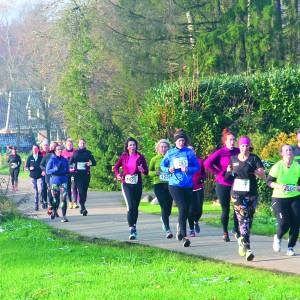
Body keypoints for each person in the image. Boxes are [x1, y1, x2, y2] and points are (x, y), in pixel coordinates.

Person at [225, 136, 265, 261]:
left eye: (246, 146)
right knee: (244, 220)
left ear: (249, 146)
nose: (244, 148)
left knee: (249, 220)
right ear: (239, 146)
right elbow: (227, 177)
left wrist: (257, 172)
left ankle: (240, 237)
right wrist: (228, 171)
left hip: (251, 194)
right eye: (242, 146)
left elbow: (262, 176)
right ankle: (248, 250)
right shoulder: (233, 159)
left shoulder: (254, 158)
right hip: (237, 194)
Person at [160, 129, 200, 247]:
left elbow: (196, 166)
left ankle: (179, 228)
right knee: (182, 208)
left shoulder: (189, 153)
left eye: (183, 140)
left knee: (186, 210)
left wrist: (189, 169)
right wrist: (168, 169)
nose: (181, 143)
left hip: (187, 185)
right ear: (175, 141)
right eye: (179, 141)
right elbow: (163, 165)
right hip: (174, 185)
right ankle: (184, 236)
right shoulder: (170, 153)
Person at [204, 128, 240, 242]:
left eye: (234, 139)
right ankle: (225, 232)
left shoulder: (238, 151)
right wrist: (220, 172)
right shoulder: (221, 152)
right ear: (225, 141)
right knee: (225, 209)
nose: (232, 141)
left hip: (236, 183)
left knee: (237, 208)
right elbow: (207, 163)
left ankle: (236, 230)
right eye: (230, 139)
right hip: (223, 183)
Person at [267, 144, 300, 256]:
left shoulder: (297, 166)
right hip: (279, 198)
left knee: (296, 223)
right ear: (281, 153)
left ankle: (290, 247)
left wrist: (298, 187)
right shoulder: (277, 166)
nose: (288, 152)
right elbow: (269, 182)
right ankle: (278, 237)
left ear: (293, 153)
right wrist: (280, 186)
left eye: (290, 150)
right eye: (286, 150)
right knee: (284, 223)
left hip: (295, 197)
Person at [114, 137, 148, 240]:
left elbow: (146, 172)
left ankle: (134, 225)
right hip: (126, 184)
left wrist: (142, 170)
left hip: (137, 184)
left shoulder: (140, 156)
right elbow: (116, 167)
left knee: (135, 207)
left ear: (136, 146)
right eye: (130, 145)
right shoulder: (124, 156)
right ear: (127, 147)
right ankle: (131, 229)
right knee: (130, 206)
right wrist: (118, 175)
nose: (132, 147)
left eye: (134, 145)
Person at [149, 139, 173, 239]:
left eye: (165, 147)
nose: (163, 149)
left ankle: (164, 218)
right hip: (158, 184)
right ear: (158, 148)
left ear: (168, 148)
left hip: (170, 184)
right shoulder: (154, 159)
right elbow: (149, 172)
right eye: (161, 147)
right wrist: (156, 173)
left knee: (169, 208)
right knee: (164, 206)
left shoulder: (171, 158)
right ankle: (167, 229)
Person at [70, 139, 96, 216]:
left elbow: (94, 162)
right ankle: (83, 207)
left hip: (86, 175)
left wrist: (89, 163)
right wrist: (72, 167)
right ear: (78, 144)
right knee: (80, 191)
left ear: (85, 144)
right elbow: (70, 162)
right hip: (77, 175)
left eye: (83, 143)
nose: (82, 145)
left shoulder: (88, 153)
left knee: (84, 191)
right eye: (81, 143)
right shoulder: (75, 153)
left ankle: (82, 205)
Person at [46, 145, 69, 222]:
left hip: (63, 180)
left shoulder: (65, 160)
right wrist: (55, 169)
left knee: (63, 199)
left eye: (61, 149)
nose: (60, 151)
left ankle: (64, 216)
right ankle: (53, 210)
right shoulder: (52, 160)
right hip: (55, 181)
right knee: (55, 200)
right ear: (55, 151)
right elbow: (47, 171)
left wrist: (65, 170)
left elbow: (68, 170)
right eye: (58, 149)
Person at [187, 146, 206, 237]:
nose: (190, 151)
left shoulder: (199, 161)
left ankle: (196, 221)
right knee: (190, 210)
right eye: (188, 150)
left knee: (199, 210)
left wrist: (202, 179)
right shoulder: (183, 162)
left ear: (194, 151)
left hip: (198, 188)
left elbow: (203, 174)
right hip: (187, 189)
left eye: (192, 150)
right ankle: (191, 229)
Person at [40, 141, 58, 217]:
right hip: (49, 177)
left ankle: (55, 209)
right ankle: (50, 206)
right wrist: (46, 170)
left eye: (54, 146)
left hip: (57, 178)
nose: (52, 148)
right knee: (51, 193)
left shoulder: (59, 156)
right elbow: (41, 165)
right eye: (52, 146)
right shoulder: (47, 155)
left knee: (56, 195)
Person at [62, 138, 79, 209]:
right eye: (68, 144)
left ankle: (75, 202)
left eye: (71, 144)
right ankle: (70, 202)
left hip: (74, 171)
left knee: (74, 186)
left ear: (72, 145)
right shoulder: (63, 152)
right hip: (66, 172)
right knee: (68, 187)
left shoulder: (75, 151)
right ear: (66, 145)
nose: (69, 145)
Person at [25, 145, 43, 211]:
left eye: (36, 149)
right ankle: (36, 204)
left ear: (38, 149)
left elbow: (44, 165)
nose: (34, 150)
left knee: (40, 190)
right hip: (33, 177)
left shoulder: (41, 157)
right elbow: (26, 168)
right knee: (35, 191)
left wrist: (43, 171)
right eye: (33, 149)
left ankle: (41, 199)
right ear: (32, 150)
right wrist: (29, 168)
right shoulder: (30, 157)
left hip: (40, 176)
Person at [40, 141, 49, 208]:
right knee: (43, 187)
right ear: (42, 147)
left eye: (46, 145)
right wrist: (43, 170)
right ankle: (44, 200)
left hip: (50, 174)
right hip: (42, 174)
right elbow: (39, 164)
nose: (45, 146)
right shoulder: (39, 153)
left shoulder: (51, 153)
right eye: (44, 145)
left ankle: (50, 201)